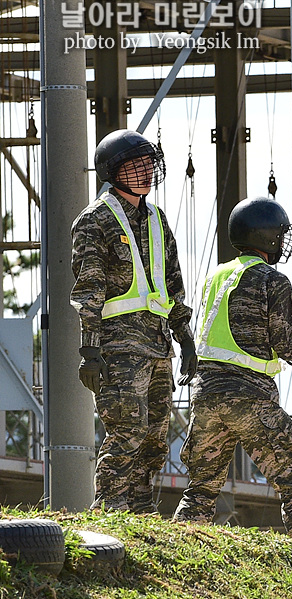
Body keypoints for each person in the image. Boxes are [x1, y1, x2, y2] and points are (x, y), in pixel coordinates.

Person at [172, 197, 292, 540]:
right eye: (280, 234)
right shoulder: (272, 280)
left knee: (201, 489)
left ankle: (177, 545)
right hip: (248, 397)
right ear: (268, 237)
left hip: (205, 396)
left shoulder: (217, 276)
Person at [71, 129, 197, 514]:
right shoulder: (96, 220)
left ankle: (141, 514)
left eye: (148, 164)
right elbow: (88, 287)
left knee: (156, 437)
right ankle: (108, 512)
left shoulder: (157, 220)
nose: (145, 172)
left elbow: (172, 284)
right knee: (127, 431)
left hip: (158, 345)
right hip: (118, 346)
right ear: (112, 171)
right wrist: (90, 350)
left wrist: (185, 337)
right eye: (135, 166)